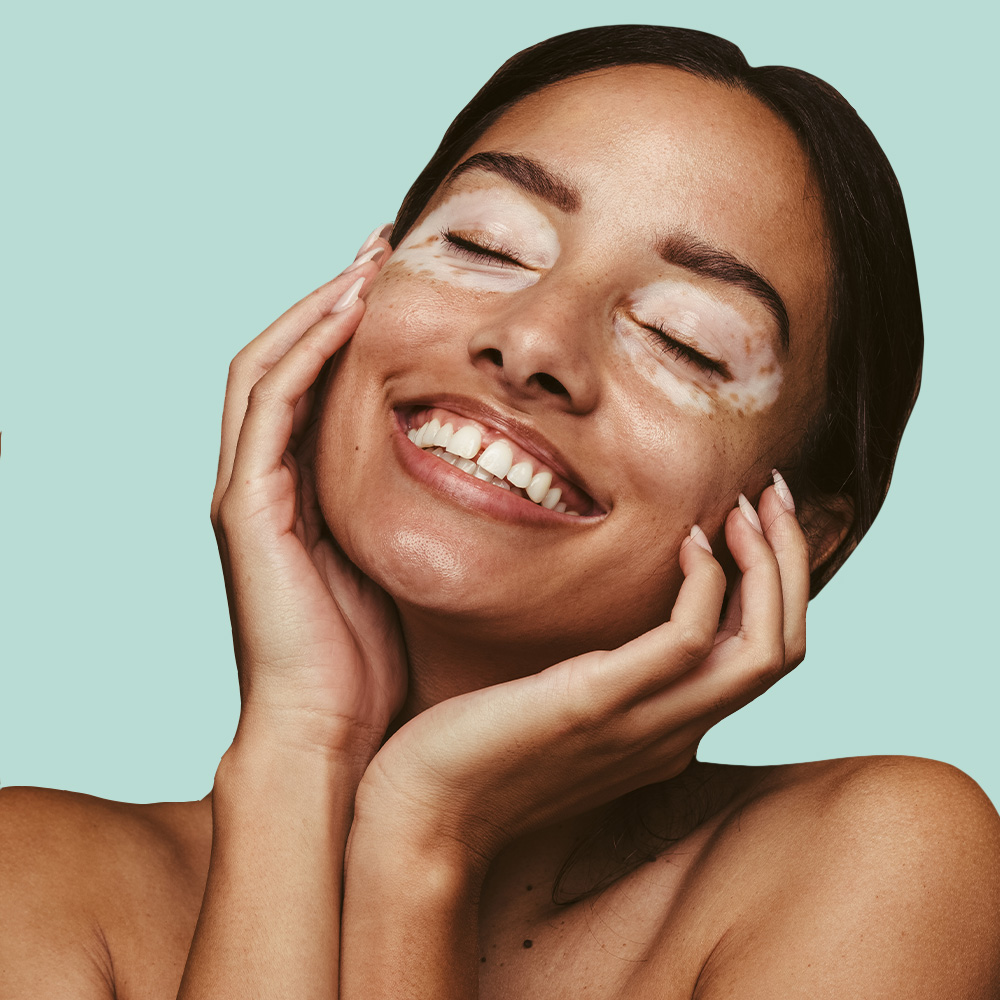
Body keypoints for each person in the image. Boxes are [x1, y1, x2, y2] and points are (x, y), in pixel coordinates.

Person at [2, 24, 997, 999]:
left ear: (801, 533)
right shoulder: (34, 877)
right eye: (483, 242)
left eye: (683, 339)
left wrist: (422, 840)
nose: (532, 343)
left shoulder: (879, 862)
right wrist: (300, 747)